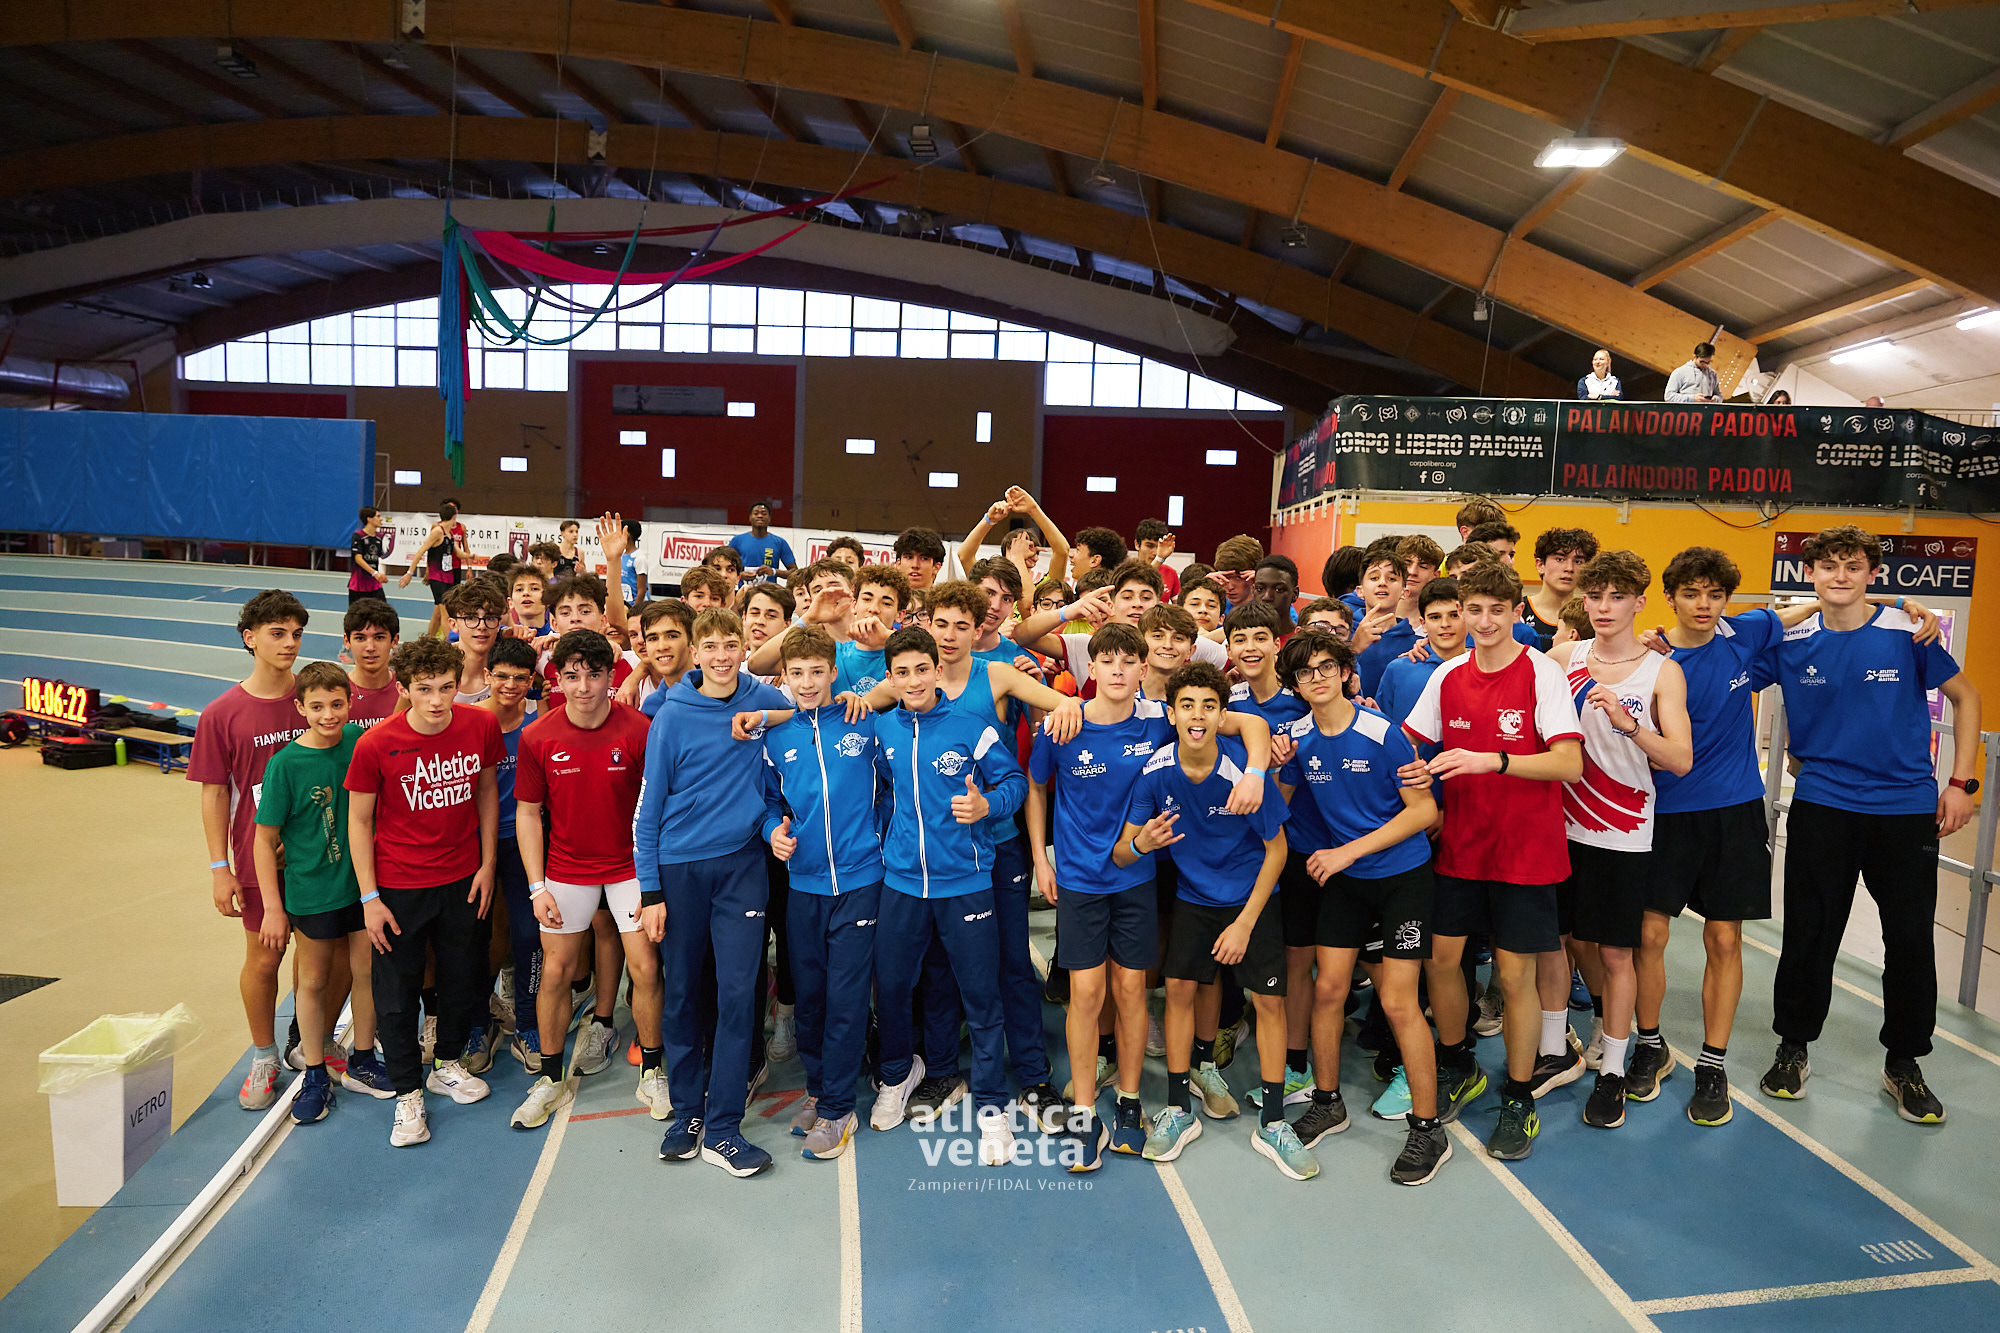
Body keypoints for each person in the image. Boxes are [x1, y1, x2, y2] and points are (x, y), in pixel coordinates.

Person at [1757, 526, 1979, 1125]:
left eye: (1852, 566)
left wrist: (1960, 784)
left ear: (1871, 573)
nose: (1840, 576)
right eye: (1827, 566)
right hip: (1824, 805)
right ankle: (1793, 1047)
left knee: (1909, 940)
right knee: (1809, 934)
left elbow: (1967, 697)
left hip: (1904, 811)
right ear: (1809, 573)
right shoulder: (1790, 640)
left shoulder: (1909, 631)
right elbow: (1723, 645)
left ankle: (1903, 1062)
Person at [1401, 560, 1583, 1161]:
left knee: (1513, 976)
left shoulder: (1541, 673)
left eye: (1495, 611)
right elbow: (1407, 742)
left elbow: (1569, 764)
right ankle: (1459, 1064)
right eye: (1472, 610)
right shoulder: (1447, 674)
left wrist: (1493, 760)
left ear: (1515, 612)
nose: (1482, 622)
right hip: (1461, 845)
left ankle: (1520, 1095)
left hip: (1525, 851)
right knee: (1440, 962)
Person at [1275, 632, 1449, 1185]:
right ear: (1296, 685)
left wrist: (1348, 851)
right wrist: (1273, 769)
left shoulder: (1383, 733)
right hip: (1347, 882)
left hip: (1402, 880)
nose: (1318, 678)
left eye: (1327, 667)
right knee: (1328, 989)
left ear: (1347, 672)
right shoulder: (1297, 738)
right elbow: (1278, 806)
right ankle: (1328, 1102)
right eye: (1305, 672)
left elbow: (1422, 812)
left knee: (1398, 1000)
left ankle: (1428, 1128)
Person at [1119, 663, 1307, 1178]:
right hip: (1194, 899)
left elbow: (1277, 852)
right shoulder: (1155, 772)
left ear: (1223, 716)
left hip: (1251, 899)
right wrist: (1143, 844)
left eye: (1208, 706)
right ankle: (1179, 1109)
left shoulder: (1242, 772)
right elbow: (1122, 853)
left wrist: (1244, 923)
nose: (1197, 716)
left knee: (1269, 1002)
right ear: (1172, 714)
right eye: (1187, 706)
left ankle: (1273, 1121)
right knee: (1179, 991)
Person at [864, 626, 1029, 1167]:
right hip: (902, 883)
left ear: (938, 670)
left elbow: (1014, 783)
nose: (913, 680)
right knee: (892, 985)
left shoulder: (972, 726)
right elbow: (880, 791)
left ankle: (993, 1109)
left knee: (980, 997)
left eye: (922, 669)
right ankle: (897, 1075)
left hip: (967, 882)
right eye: (902, 672)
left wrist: (987, 807)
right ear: (890, 678)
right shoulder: (882, 729)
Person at [635, 608, 791, 1177]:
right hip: (680, 872)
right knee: (681, 994)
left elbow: (805, 710)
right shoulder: (671, 716)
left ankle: (724, 1127)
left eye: (731, 644)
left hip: (742, 868)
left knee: (738, 994)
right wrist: (651, 891)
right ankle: (686, 1115)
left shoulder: (759, 697)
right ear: (695, 653)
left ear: (744, 648)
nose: (722, 656)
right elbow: (648, 810)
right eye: (712, 646)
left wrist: (763, 716)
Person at [1547, 551, 1692, 1130]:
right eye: (1595, 597)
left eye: (1617, 597)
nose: (1604, 608)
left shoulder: (1661, 672)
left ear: (1639, 602)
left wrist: (1630, 726)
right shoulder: (1563, 658)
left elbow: (1680, 758)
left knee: (1614, 954)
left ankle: (1612, 1071)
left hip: (1622, 831)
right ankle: (1554, 1049)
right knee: (1555, 942)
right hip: (1558, 827)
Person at [345, 637, 505, 1147]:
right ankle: (407, 1094)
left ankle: (447, 1064)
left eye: (446, 688)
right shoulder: (376, 744)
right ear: (405, 688)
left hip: (463, 879)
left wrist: (487, 864)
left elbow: (486, 791)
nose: (436, 700)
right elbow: (358, 821)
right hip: (399, 887)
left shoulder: (480, 725)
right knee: (396, 994)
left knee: (461, 978)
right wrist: (370, 898)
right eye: (424, 689)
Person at [1028, 624, 1169, 1168]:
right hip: (1080, 881)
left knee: (1131, 991)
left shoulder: (1160, 722)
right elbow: (1036, 786)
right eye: (1106, 661)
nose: (1117, 670)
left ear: (1143, 669)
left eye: (1128, 661)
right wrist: (1041, 858)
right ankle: (1085, 1110)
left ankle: (1130, 1101)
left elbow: (1229, 722)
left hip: (1136, 878)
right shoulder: (1063, 724)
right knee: (1086, 996)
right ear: (1091, 669)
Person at [507, 630, 661, 1130]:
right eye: (572, 676)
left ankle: (653, 1071)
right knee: (556, 971)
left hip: (629, 867)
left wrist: (653, 881)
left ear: (610, 677)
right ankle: (551, 1079)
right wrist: (537, 886)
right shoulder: (538, 736)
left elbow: (656, 809)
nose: (584, 687)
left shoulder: (640, 730)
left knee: (645, 966)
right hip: (567, 869)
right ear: (558, 679)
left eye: (594, 675)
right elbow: (527, 814)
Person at [756, 626, 885, 1159]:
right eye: (797, 674)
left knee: (847, 998)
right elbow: (768, 803)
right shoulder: (776, 738)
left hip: (861, 881)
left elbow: (894, 788)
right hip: (803, 886)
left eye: (816, 672)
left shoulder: (865, 722)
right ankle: (818, 1088)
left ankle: (838, 1108)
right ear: (783, 678)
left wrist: (881, 839)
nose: (807, 683)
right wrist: (773, 832)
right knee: (809, 997)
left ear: (834, 672)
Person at [252, 662, 396, 1122]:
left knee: (367, 972)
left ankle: (363, 1058)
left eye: (337, 704)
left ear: (350, 702)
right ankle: (315, 1071)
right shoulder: (285, 765)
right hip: (312, 891)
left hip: (362, 887)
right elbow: (263, 841)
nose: (328, 715)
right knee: (312, 982)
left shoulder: (358, 741)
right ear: (300, 708)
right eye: (317, 706)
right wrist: (272, 908)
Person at [190, 589, 309, 1110]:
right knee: (265, 960)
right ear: (250, 638)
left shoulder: (316, 696)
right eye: (277, 633)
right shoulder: (222, 713)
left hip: (318, 858)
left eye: (296, 634)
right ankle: (264, 1056)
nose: (289, 643)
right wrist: (220, 868)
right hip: (258, 862)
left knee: (318, 957)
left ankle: (310, 1041)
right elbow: (215, 793)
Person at [479, 638, 542, 1068]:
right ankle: (476, 1022)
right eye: (501, 676)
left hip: (526, 842)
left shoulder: (539, 723)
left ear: (531, 680)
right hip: (475, 843)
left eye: (520, 678)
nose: (510, 685)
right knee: (476, 937)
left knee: (528, 934)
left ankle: (527, 1022)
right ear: (487, 676)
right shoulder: (467, 721)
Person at [398, 501, 470, 638]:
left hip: (448, 576)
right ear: (454, 516)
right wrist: (409, 573)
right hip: (437, 577)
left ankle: (429, 640)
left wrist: (471, 557)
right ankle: (449, 643)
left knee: (441, 611)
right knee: (445, 612)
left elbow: (459, 553)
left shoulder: (450, 533)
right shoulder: (437, 531)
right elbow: (421, 551)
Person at [1525, 528, 1600, 652]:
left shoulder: (1593, 616)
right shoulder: (1517, 611)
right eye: (1560, 559)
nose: (1569, 568)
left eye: (1578, 561)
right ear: (1540, 565)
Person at [343, 600, 402, 729]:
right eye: (360, 638)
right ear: (347, 641)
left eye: (379, 637)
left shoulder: (408, 689)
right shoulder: (335, 693)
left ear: (394, 641)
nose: (370, 647)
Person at [725, 502, 796, 583]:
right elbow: (725, 568)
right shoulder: (737, 541)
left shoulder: (780, 542)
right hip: (744, 590)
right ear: (750, 517)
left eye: (764, 513)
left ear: (769, 518)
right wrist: (740, 575)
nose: (760, 516)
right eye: (756, 513)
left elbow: (795, 572)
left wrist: (773, 571)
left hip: (769, 591)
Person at [1134, 519, 1180, 599]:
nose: (1156, 552)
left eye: (1159, 546)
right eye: (1150, 546)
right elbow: (1140, 580)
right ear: (1137, 545)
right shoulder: (1126, 571)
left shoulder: (1171, 573)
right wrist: (1159, 559)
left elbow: (1178, 605)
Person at [350, 508, 388, 603]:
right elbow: (358, 559)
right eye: (378, 516)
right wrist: (374, 573)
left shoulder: (379, 538)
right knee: (357, 612)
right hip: (359, 585)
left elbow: (379, 558)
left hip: (375, 585)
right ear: (369, 519)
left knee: (383, 610)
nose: (381, 519)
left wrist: (382, 574)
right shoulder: (358, 536)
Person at [619, 518, 647, 605]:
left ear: (627, 533)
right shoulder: (620, 555)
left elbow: (642, 590)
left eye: (620, 531)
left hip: (634, 606)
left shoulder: (639, 558)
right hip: (623, 605)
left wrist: (634, 609)